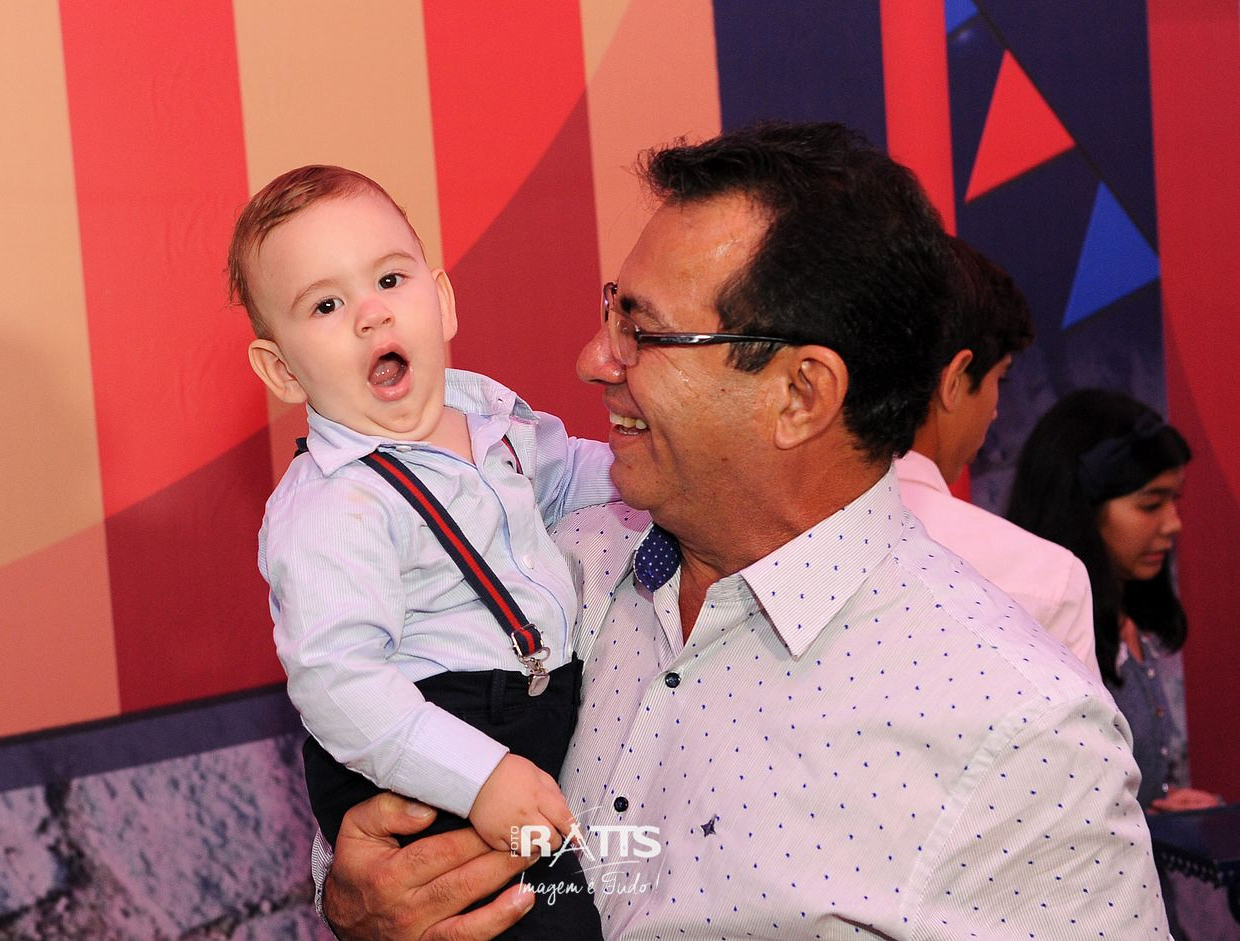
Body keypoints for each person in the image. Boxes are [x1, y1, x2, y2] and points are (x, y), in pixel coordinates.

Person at [315, 124, 1171, 939]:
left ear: (801, 394)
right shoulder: (555, 558)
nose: (594, 360)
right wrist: (351, 897)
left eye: (642, 330)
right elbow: (381, 814)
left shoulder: (1021, 736)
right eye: (613, 310)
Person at [228, 165, 613, 936]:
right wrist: (478, 776)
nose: (371, 313)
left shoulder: (488, 414)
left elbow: (576, 474)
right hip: (423, 756)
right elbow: (338, 680)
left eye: (389, 279)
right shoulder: (334, 504)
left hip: (522, 720)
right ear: (281, 369)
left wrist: (672, 465)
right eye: (327, 304)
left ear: (442, 300)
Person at [1007, 388, 1218, 813]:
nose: (1173, 524)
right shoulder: (1037, 639)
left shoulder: (1134, 622)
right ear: (1083, 510)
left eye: (1174, 500)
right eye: (1151, 504)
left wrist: (1166, 810)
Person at [895, 238, 1097, 673]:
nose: (996, 410)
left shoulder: (770, 546)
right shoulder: (1046, 580)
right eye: (999, 380)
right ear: (954, 380)